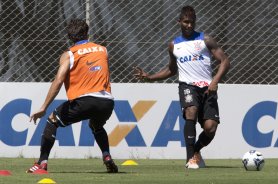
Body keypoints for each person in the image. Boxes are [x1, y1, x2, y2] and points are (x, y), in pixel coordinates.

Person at [134, 5, 230, 169]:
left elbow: (225, 61)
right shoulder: (174, 45)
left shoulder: (205, 40)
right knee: (190, 110)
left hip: (208, 88)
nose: (189, 25)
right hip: (187, 86)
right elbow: (171, 69)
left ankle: (197, 150)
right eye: (186, 22)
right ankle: (190, 159)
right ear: (179, 22)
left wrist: (215, 81)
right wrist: (150, 77)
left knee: (210, 128)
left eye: (192, 22)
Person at [26, 19, 118, 173]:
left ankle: (42, 163)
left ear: (69, 37)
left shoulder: (69, 55)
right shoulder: (103, 49)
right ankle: (107, 156)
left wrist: (43, 107)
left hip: (85, 101)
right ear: (87, 32)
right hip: (106, 102)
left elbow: (59, 80)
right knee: (96, 125)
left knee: (52, 121)